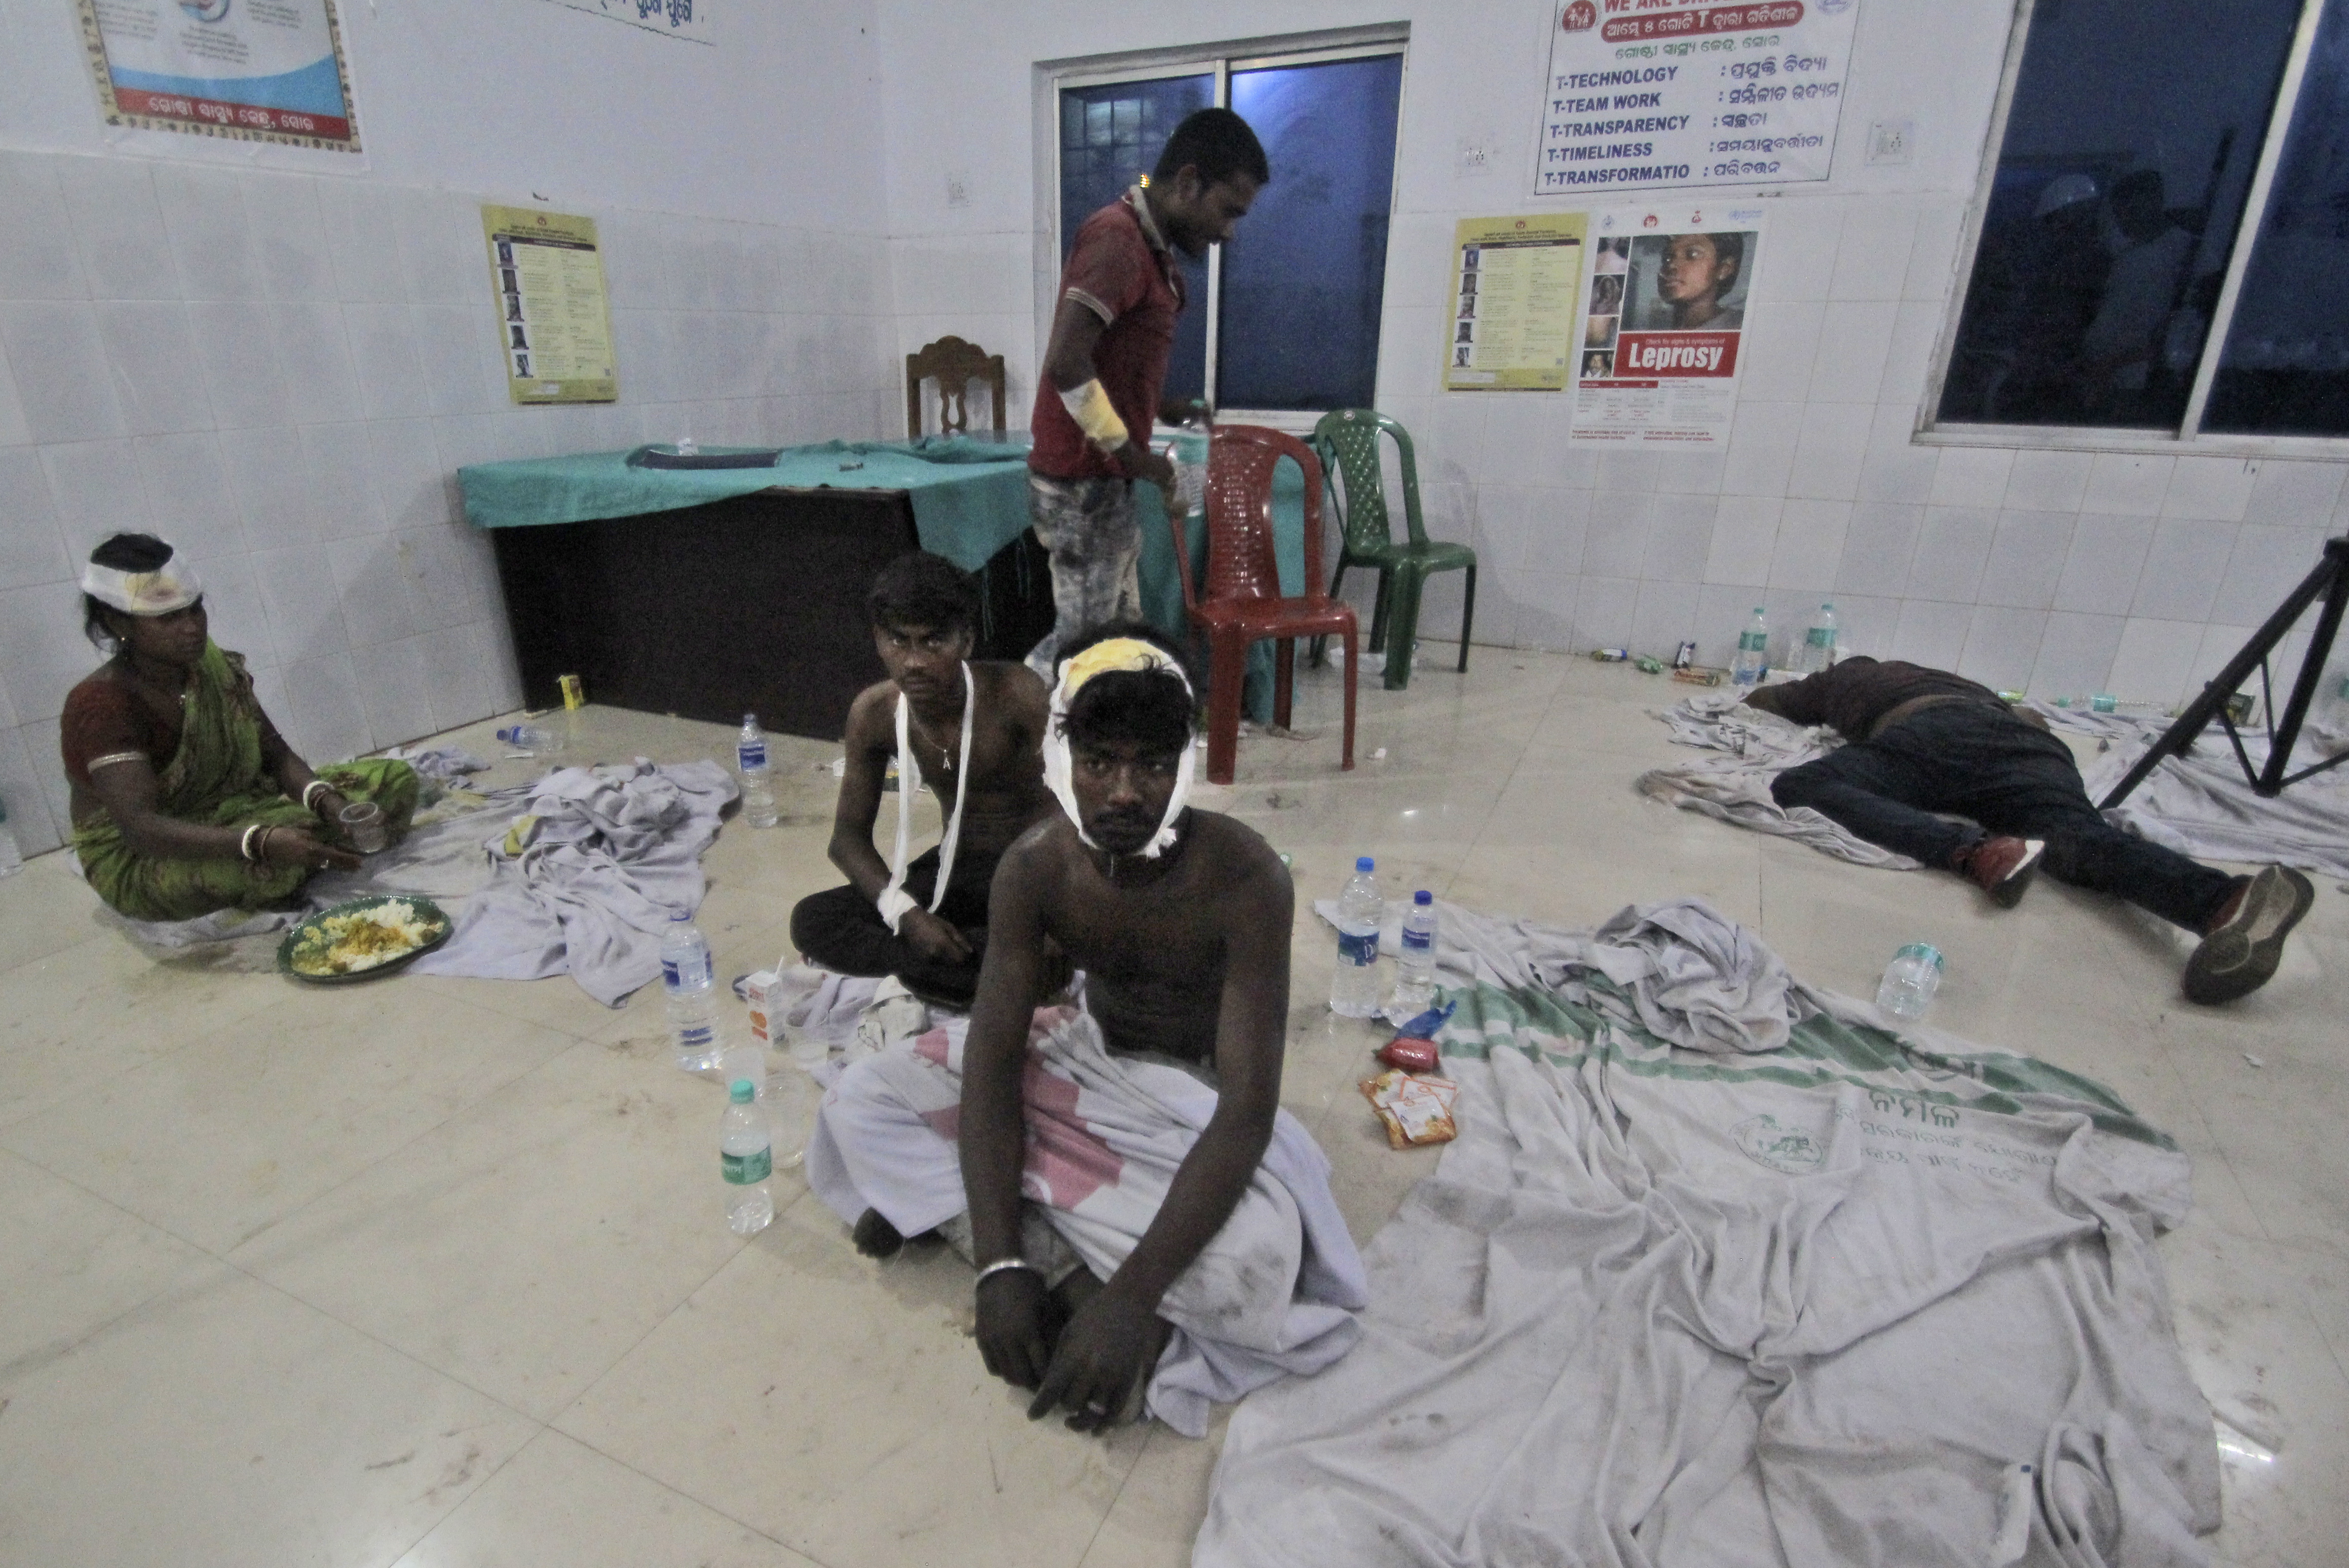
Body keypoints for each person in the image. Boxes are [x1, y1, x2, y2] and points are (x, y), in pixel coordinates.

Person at [806, 626, 1364, 1433]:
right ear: (1063, 763)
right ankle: (1051, 1264)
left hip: (1188, 1106)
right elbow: (996, 1061)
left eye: (1153, 764)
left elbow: (1246, 1110)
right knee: (861, 1098)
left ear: (1187, 766)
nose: (1125, 792)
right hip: (1082, 1056)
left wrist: (1132, 1299)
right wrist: (999, 1268)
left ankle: (1054, 1253)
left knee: (1258, 1261)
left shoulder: (1247, 877)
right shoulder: (1035, 867)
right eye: (1100, 762)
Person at [1747, 656, 2315, 1004]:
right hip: (2033, 746)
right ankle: (2225, 902)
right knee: (2077, 838)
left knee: (1805, 783)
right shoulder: (1973, 684)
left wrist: (1792, 693)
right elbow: (2033, 724)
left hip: (1934, 735)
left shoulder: (1856, 675)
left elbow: (1768, 701)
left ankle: (1975, 853)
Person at [1024, 108, 1268, 681]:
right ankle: (1018, 729)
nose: (1229, 231)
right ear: (1187, 183)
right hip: (1083, 481)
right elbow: (1066, 364)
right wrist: (1134, 456)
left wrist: (1163, 407)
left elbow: (1112, 363)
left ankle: (1108, 743)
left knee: (1118, 635)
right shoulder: (1117, 239)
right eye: (1228, 210)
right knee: (1080, 652)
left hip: (1103, 478)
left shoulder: (1149, 249)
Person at [61, 533, 419, 923]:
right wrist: (258, 842)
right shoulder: (102, 704)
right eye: (168, 618)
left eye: (195, 610)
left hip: (234, 813)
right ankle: (287, 856)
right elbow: (142, 829)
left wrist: (331, 805)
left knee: (393, 779)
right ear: (117, 622)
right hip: (145, 858)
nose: (191, 628)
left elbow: (275, 752)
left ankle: (299, 848)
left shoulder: (209, 668)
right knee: (267, 863)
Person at [789, 552, 1056, 1008]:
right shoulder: (874, 713)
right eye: (899, 640)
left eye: (934, 643)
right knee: (813, 919)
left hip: (1033, 873)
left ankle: (967, 966)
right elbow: (846, 841)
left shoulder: (1018, 693)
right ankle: (970, 966)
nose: (913, 662)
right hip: (954, 872)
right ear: (878, 640)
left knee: (1058, 948)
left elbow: (1081, 810)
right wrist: (908, 915)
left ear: (966, 640)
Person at [1650, 231, 1745, 330]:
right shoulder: (1656, 326)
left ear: (1724, 269)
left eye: (1693, 255)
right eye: (1667, 258)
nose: (1671, 265)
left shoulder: (1741, 326)